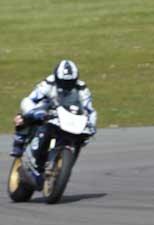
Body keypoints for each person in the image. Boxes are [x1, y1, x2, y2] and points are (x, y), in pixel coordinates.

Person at [10, 59, 97, 189]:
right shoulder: (48, 83)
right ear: (57, 78)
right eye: (63, 82)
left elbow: (90, 110)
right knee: (21, 118)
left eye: (70, 82)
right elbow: (28, 100)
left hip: (70, 118)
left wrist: (92, 125)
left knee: (83, 138)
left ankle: (63, 167)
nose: (66, 85)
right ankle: (20, 145)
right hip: (46, 112)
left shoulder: (81, 88)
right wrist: (34, 112)